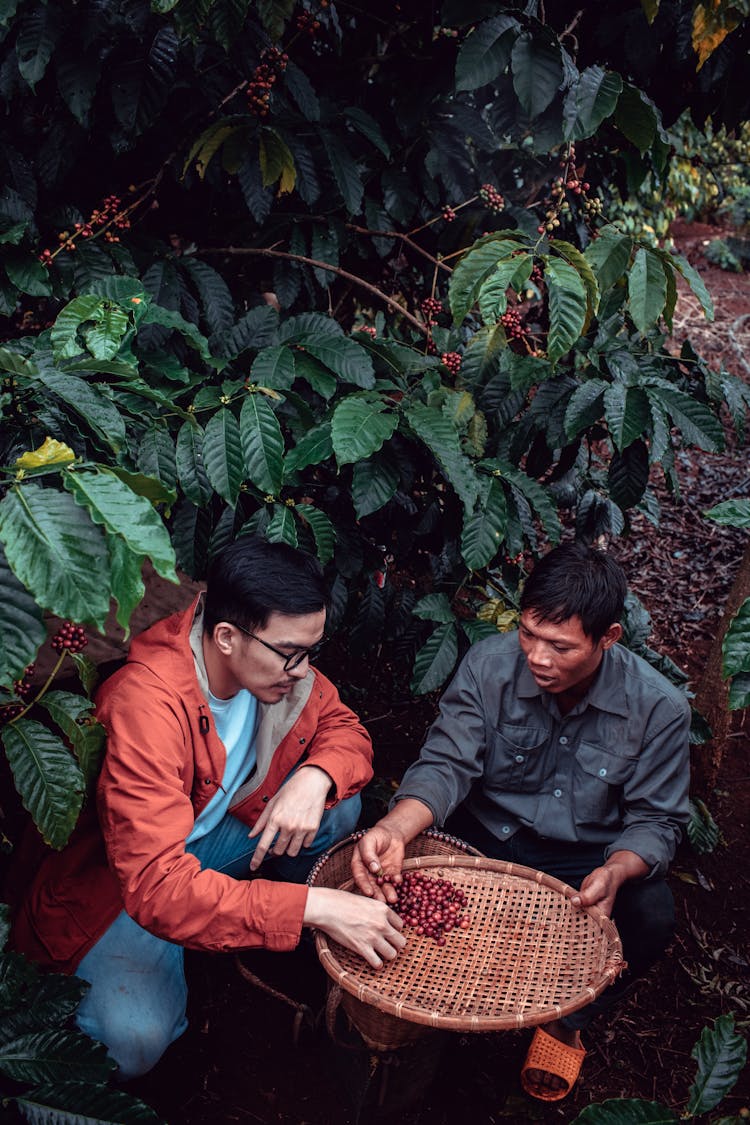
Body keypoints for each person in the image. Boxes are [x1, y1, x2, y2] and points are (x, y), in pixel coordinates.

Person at [10, 536, 405, 1079]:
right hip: (126, 887)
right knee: (134, 1041)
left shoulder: (272, 661)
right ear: (225, 638)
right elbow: (157, 886)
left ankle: (235, 921)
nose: (302, 668)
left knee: (337, 807)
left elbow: (343, 727)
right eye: (291, 653)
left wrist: (315, 776)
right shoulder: (146, 707)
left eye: (311, 650)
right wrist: (312, 907)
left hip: (208, 840)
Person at [351, 541, 690, 1102]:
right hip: (483, 837)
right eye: (528, 634)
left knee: (651, 913)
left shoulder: (658, 709)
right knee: (399, 882)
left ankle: (566, 1019)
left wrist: (619, 870)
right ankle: (434, 1009)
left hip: (585, 857)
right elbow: (447, 764)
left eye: (560, 646)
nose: (537, 657)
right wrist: (396, 828)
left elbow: (656, 820)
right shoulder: (489, 665)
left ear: (608, 638)